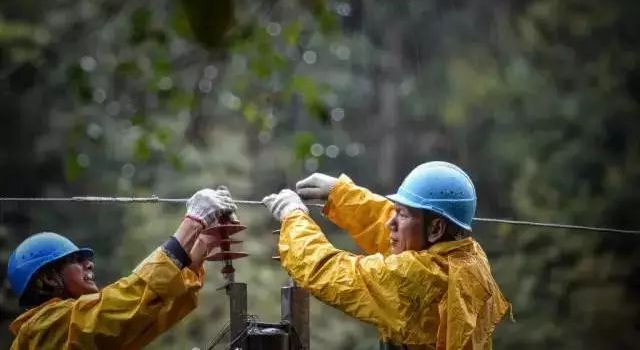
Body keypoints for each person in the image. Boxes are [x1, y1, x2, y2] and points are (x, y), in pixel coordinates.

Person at [263, 161, 510, 350]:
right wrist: (340, 194)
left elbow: (326, 270)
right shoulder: (469, 256)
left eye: (401, 214)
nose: (390, 222)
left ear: (436, 228)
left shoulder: (415, 279)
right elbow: (399, 230)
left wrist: (293, 216)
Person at [7, 187, 236, 350]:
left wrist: (205, 242)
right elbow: (126, 301)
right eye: (75, 260)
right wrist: (194, 221)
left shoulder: (76, 332)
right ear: (46, 279)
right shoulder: (42, 330)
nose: (89, 263)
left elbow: (152, 310)